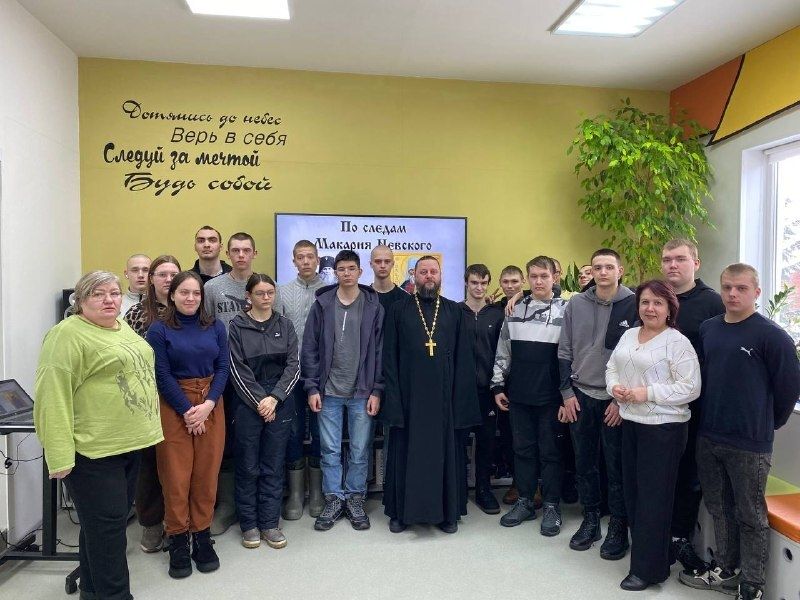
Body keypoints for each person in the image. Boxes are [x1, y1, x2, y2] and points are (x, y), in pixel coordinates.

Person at [34, 271, 162, 600]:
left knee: (102, 528)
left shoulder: (121, 327)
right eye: (98, 294)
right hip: (93, 452)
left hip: (129, 445)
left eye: (114, 293)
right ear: (80, 300)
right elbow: (52, 397)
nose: (109, 300)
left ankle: (91, 591)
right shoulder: (67, 335)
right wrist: (59, 456)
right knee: (109, 535)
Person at [680, 264, 800, 600]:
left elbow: (789, 389)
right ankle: (726, 569)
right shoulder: (709, 329)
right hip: (709, 435)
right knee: (719, 508)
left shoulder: (771, 336)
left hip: (749, 443)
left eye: (741, 288)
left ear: (756, 292)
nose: (733, 294)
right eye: (727, 287)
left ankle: (752, 584)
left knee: (750, 514)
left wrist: (766, 423)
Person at [606, 280, 701, 591]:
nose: (650, 308)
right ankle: (651, 556)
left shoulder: (678, 343)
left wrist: (645, 392)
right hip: (632, 422)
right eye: (645, 302)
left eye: (658, 303)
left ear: (670, 308)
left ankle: (648, 571)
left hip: (664, 429)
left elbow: (691, 388)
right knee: (634, 493)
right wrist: (615, 388)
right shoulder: (629, 335)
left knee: (653, 499)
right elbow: (612, 367)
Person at [381, 255, 480, 534]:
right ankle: (401, 513)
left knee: (444, 454)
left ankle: (447, 513)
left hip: (443, 401)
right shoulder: (398, 309)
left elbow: (463, 359)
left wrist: (460, 403)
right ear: (414, 275)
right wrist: (393, 400)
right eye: (423, 272)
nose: (428, 276)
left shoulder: (453, 311)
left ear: (440, 275)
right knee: (405, 453)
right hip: (408, 399)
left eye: (433, 272)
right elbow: (389, 357)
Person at [147, 271, 229, 579]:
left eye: (196, 293)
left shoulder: (216, 327)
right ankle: (178, 540)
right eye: (184, 292)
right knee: (175, 477)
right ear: (172, 295)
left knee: (206, 475)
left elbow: (223, 367)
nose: (191, 298)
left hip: (211, 402)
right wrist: (187, 411)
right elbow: (161, 373)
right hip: (173, 404)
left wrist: (207, 405)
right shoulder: (159, 329)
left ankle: (202, 537)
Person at [558, 248, 637, 560]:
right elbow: (564, 349)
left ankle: (618, 525)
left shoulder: (633, 303)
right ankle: (590, 519)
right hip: (580, 395)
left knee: (616, 467)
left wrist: (620, 400)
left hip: (615, 400)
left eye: (608, 267)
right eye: (597, 268)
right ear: (590, 271)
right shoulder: (576, 303)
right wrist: (566, 393)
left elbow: (636, 357)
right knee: (584, 463)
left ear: (620, 271)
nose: (602, 272)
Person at [302, 250, 384, 531]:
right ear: (335, 273)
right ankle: (334, 498)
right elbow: (309, 348)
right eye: (341, 269)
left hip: (363, 392)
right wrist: (312, 387)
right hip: (329, 392)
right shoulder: (322, 305)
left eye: (352, 268)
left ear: (360, 272)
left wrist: (377, 390)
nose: (347, 273)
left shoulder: (374, 306)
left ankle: (355, 498)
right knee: (329, 450)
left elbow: (380, 352)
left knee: (360, 450)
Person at [660, 239, 725, 572]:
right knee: (657, 473)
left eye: (680, 259)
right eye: (667, 259)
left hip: (696, 409)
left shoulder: (712, 303)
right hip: (655, 406)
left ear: (695, 264)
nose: (672, 265)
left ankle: (679, 538)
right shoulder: (655, 298)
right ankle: (653, 536)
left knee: (688, 476)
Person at [492, 256, 567, 536]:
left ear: (554, 277)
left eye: (543, 276)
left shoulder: (567, 311)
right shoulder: (514, 309)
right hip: (519, 396)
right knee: (522, 450)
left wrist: (567, 395)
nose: (538, 281)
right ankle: (525, 501)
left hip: (551, 398)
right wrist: (497, 385)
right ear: (527, 279)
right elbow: (503, 350)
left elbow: (571, 355)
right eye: (533, 276)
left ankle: (551, 505)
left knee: (550, 453)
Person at [229, 274, 300, 549]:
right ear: (248, 296)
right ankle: (249, 524)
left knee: (273, 464)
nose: (266, 297)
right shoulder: (237, 326)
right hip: (248, 401)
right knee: (248, 466)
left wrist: (275, 399)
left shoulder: (285, 325)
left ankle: (270, 523)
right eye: (260, 293)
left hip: (279, 400)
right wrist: (261, 401)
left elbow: (293, 366)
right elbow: (237, 369)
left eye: (270, 292)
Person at [124, 255, 181, 553]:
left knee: (177, 464)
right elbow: (125, 357)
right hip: (147, 397)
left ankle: (177, 522)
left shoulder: (189, 307)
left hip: (182, 396)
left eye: (173, 274)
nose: (168, 279)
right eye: (162, 274)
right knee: (148, 464)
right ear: (152, 279)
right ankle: (151, 523)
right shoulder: (136, 314)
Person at [203, 231, 257, 535]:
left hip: (255, 375)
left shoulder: (263, 285)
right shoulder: (212, 288)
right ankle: (225, 505)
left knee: (250, 440)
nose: (241, 255)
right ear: (228, 253)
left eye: (246, 250)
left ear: (254, 254)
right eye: (235, 250)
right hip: (222, 374)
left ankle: (251, 503)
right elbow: (205, 327)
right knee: (222, 442)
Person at [274, 239, 325, 520]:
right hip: (290, 374)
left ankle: (316, 491)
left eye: (310, 256)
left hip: (321, 375)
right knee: (292, 430)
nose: (305, 261)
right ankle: (295, 493)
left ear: (317, 259)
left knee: (319, 430)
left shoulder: (329, 291)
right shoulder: (281, 292)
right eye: (300, 257)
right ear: (293, 260)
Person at [459, 263, 504, 515]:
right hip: (461, 392)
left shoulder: (496, 314)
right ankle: (458, 490)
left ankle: (484, 490)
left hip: (488, 390)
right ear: (466, 282)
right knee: (459, 442)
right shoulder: (455, 312)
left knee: (487, 443)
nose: (479, 287)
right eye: (474, 282)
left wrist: (498, 384)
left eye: (483, 283)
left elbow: (502, 352)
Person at [494, 264, 526, 505]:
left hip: (529, 383)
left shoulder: (532, 304)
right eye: (506, 282)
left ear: (523, 282)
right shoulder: (495, 309)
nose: (510, 286)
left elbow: (556, 290)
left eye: (515, 281)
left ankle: (534, 486)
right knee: (509, 438)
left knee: (530, 439)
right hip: (502, 384)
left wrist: (521, 296)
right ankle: (517, 483)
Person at [369, 244, 409, 312]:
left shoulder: (405, 298)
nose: (383, 266)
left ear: (393, 264)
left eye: (387, 261)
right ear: (371, 264)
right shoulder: (363, 297)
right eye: (378, 261)